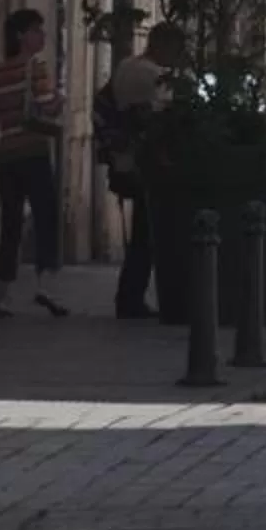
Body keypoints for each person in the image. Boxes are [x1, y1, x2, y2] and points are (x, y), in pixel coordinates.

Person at [97, 20, 184, 321]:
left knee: (142, 233)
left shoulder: (125, 66)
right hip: (145, 165)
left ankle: (130, 296)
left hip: (125, 162)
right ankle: (131, 298)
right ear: (164, 46)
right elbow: (163, 119)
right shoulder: (152, 75)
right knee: (148, 234)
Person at [0, 9, 66, 318]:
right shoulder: (37, 68)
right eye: (36, 30)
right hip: (33, 152)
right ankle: (45, 287)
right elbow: (48, 107)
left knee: (10, 224)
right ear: (21, 35)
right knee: (47, 218)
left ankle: (4, 297)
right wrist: (61, 98)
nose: (42, 35)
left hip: (6, 156)